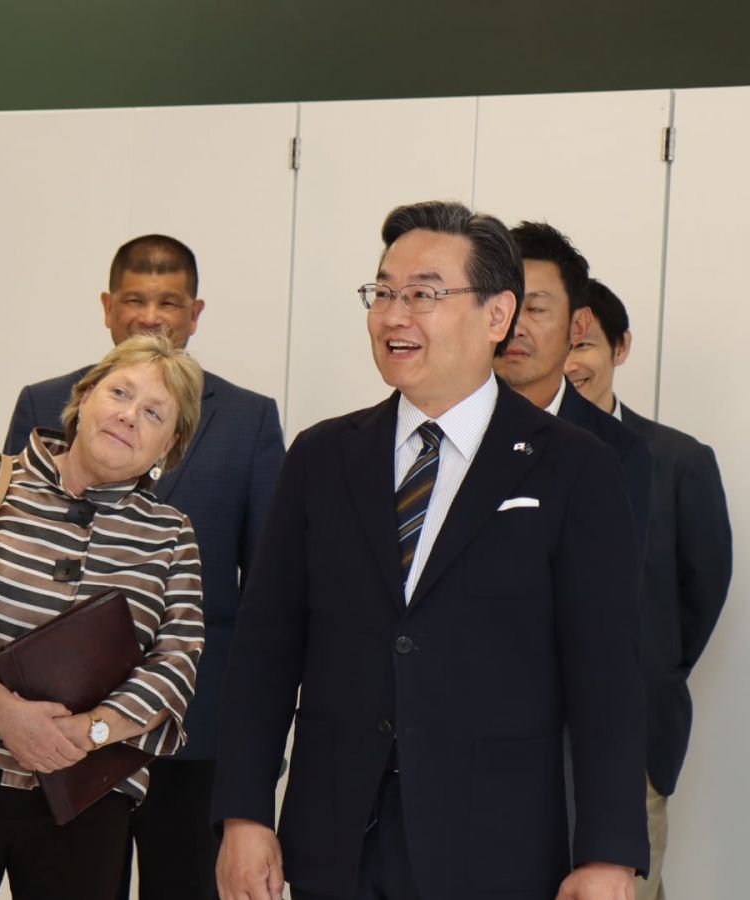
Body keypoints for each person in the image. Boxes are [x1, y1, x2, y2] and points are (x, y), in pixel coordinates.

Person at [213, 201, 648, 900]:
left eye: (422, 294)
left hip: (497, 843)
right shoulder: (323, 456)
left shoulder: (575, 467)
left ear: (497, 315)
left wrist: (607, 855)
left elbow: (608, 680)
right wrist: (243, 812)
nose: (392, 316)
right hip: (334, 840)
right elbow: (266, 649)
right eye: (382, 293)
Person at [3, 234, 283, 900]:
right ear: (107, 308)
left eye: (170, 302)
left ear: (196, 312)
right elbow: (12, 551)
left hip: (195, 726)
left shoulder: (247, 421)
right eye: (135, 299)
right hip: (63, 726)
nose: (151, 316)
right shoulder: (47, 404)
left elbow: (267, 595)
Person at [0, 332, 206, 900]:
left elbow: (177, 662)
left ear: (169, 447)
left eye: (154, 413)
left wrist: (89, 732)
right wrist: (2, 711)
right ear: (85, 395)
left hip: (88, 795)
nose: (128, 416)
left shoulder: (173, 534)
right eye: (119, 392)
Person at [566, 279, 733, 900]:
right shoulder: (506, 453)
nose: (568, 364)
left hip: (631, 740)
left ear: (621, 347)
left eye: (582, 346)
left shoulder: (678, 462)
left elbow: (700, 596)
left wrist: (650, 669)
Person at [494, 221, 651, 544]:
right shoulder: (444, 424)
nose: (515, 327)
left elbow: (607, 585)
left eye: (536, 308)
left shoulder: (616, 450)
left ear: (578, 326)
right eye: (501, 307)